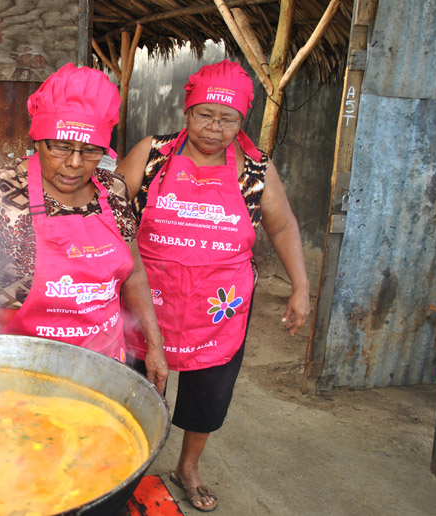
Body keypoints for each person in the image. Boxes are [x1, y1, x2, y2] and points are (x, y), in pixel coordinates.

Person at [0, 63, 169, 392]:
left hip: (102, 371)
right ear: (37, 138)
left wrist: (154, 343)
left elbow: (134, 272)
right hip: (17, 376)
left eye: (90, 150)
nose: (75, 163)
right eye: (61, 146)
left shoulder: (115, 191)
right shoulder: (0, 190)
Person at [117, 59, 311, 512]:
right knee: (133, 386)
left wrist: (301, 288)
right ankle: (123, 464)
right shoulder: (153, 153)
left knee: (208, 393)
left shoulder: (256, 171)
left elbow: (282, 228)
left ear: (242, 121)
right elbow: (112, 209)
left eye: (228, 119)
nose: (214, 127)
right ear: (186, 112)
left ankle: (188, 467)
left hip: (219, 307)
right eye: (205, 114)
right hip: (150, 297)